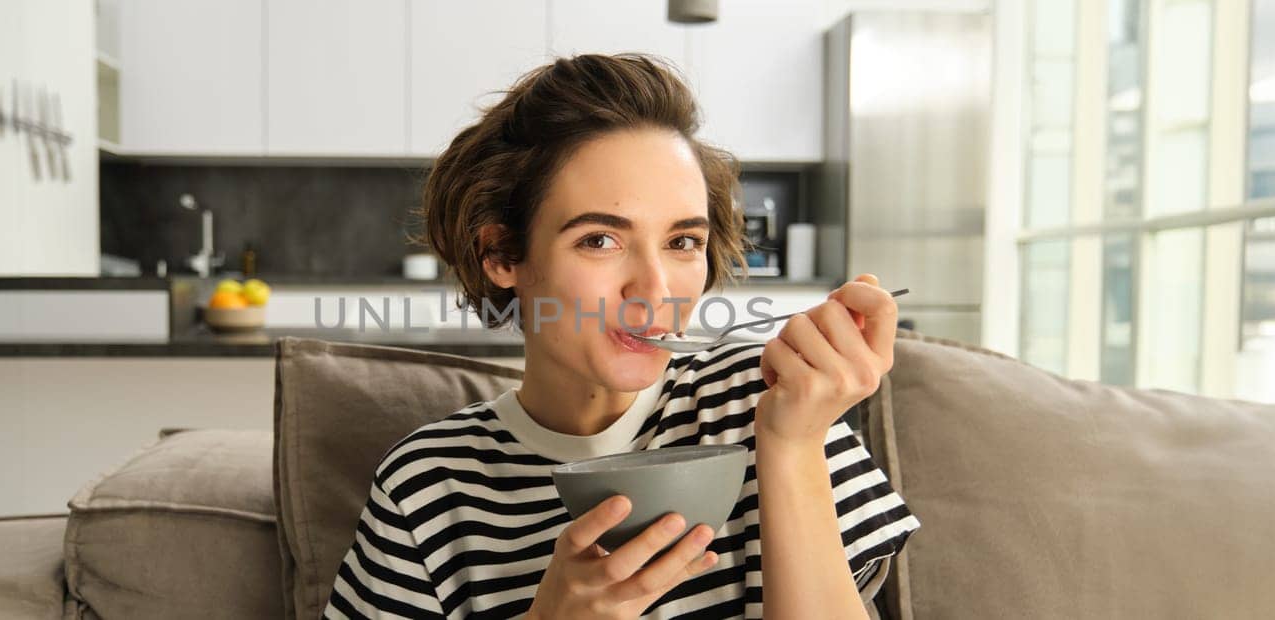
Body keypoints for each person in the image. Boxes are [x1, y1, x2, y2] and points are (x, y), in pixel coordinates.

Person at [325, 53, 919, 619]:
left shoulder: (767, 398)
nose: (656, 290)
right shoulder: (430, 484)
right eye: (600, 240)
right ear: (502, 254)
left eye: (683, 241)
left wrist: (792, 447)